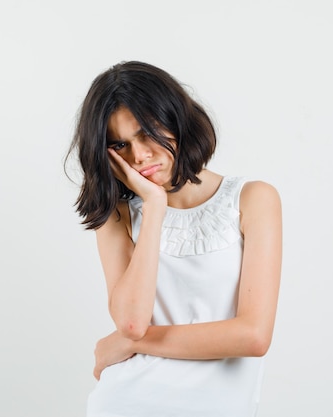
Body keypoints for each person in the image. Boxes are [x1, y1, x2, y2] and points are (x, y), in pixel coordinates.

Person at [66, 61, 282, 417]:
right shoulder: (118, 216)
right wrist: (154, 206)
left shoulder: (253, 199)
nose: (138, 156)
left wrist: (124, 344)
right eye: (120, 144)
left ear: (176, 120)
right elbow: (133, 322)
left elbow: (253, 336)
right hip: (127, 403)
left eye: (146, 134)